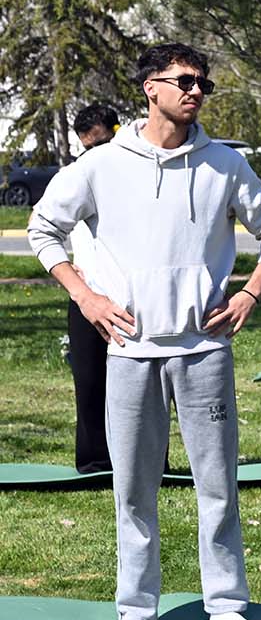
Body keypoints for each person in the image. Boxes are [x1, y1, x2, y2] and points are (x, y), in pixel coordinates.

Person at [27, 42, 261, 620]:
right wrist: (86, 296)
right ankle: (137, 609)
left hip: (203, 349)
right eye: (185, 81)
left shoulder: (224, 163)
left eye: (204, 84)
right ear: (151, 88)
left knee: (217, 484)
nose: (196, 91)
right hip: (129, 352)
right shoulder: (101, 165)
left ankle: (225, 599)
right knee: (133, 489)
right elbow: (44, 228)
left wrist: (249, 292)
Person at [56, 102, 120, 472]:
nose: (93, 154)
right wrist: (70, 268)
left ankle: (148, 459)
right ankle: (95, 460)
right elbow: (42, 222)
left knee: (143, 387)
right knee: (90, 380)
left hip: (129, 294)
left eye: (100, 144)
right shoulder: (75, 174)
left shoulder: (136, 174)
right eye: (87, 147)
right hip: (85, 295)